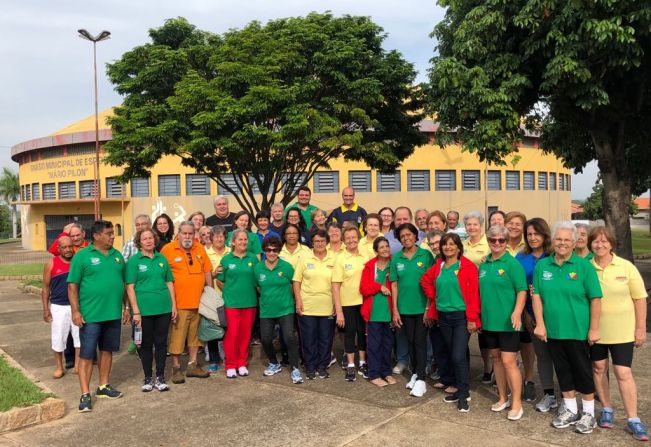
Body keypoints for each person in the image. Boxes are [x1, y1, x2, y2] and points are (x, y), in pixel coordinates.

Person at [532, 221, 602, 434]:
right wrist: (540, 324)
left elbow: (596, 299)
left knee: (582, 372)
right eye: (558, 239)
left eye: (566, 240)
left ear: (574, 242)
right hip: (553, 331)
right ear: (553, 241)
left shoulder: (584, 267)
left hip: (578, 330)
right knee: (562, 371)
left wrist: (594, 329)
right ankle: (570, 409)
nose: (562, 243)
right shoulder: (543, 266)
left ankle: (589, 413)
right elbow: (537, 297)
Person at [589, 226, 648, 441]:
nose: (600, 245)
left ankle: (633, 419)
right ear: (590, 245)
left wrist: (640, 328)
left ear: (612, 244)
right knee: (598, 368)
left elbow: (640, 299)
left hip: (623, 331)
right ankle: (606, 408)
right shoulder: (586, 268)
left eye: (604, 241)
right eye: (596, 241)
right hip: (595, 331)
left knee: (623, 373)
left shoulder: (626, 267)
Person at [68, 220, 128, 412]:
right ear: (96, 235)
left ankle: (103, 386)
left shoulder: (117, 256)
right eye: (109, 233)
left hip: (112, 313)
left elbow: (124, 284)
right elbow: (72, 286)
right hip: (90, 315)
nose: (113, 236)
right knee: (86, 354)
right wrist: (76, 311)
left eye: (112, 233)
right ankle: (85, 394)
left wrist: (126, 308)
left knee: (107, 350)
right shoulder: (82, 256)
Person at [421, 233, 480, 412]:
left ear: (458, 247)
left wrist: (472, 318)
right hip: (443, 317)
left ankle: (463, 395)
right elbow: (425, 280)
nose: (448, 247)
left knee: (458, 356)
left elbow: (473, 296)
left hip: (461, 317)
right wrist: (435, 297)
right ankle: (458, 387)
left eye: (452, 244)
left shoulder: (467, 266)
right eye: (445, 244)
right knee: (451, 352)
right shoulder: (439, 266)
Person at [479, 225, 528, 421]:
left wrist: (517, 312)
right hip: (490, 321)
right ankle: (502, 397)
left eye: (501, 240)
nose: (497, 243)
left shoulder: (512, 264)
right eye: (493, 240)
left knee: (509, 362)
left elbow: (522, 290)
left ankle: (517, 403)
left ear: (507, 242)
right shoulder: (484, 264)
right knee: (496, 360)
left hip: (508, 322)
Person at [161, 221, 212, 384]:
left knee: (195, 337)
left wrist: (210, 293)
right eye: (185, 233)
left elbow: (207, 271)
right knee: (177, 337)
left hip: (199, 303)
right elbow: (161, 275)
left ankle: (192, 364)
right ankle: (175, 367)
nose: (188, 236)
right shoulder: (168, 250)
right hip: (179, 304)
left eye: (191, 233)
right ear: (179, 234)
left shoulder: (200, 248)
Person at [126, 229, 176, 392]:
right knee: (145, 344)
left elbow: (169, 282)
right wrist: (136, 311)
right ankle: (148, 377)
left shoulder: (162, 258)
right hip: (143, 310)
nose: (148, 241)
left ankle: (160, 377)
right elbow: (130, 287)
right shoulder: (134, 261)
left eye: (150, 238)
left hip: (163, 308)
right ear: (139, 242)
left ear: (155, 240)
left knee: (161, 343)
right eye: (144, 238)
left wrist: (173, 305)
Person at [516, 218, 558, 413]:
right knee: (542, 356)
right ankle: (549, 394)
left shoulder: (555, 256)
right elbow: (517, 288)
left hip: (556, 315)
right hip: (532, 316)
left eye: (536, 234)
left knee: (562, 357)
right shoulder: (521, 258)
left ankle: (568, 395)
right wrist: (524, 313)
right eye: (529, 234)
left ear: (545, 234)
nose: (532, 238)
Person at [390, 223, 434, 398]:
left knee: (420, 341)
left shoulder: (426, 255)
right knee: (410, 341)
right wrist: (395, 309)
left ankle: (422, 379)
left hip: (422, 307)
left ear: (416, 236)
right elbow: (394, 284)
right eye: (402, 236)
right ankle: (415, 372)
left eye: (409, 235)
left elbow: (432, 283)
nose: (406, 238)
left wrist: (428, 307)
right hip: (404, 308)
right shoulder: (397, 258)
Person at [254, 236, 303, 384]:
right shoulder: (258, 268)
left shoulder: (286, 267)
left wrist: (296, 301)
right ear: (264, 250)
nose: (271, 253)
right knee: (266, 339)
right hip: (267, 309)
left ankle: (295, 368)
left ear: (279, 251)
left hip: (285, 308)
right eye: (268, 250)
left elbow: (294, 284)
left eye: (275, 250)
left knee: (289, 337)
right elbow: (257, 287)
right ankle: (274, 363)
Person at [292, 229, 336, 380]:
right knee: (308, 338)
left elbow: (337, 284)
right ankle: (310, 366)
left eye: (322, 241)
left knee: (325, 338)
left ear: (327, 242)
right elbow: (296, 281)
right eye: (316, 241)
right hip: (307, 306)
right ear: (312, 242)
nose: (319, 244)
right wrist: (298, 301)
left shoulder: (334, 258)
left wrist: (337, 304)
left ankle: (322, 366)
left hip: (328, 306)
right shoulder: (304, 257)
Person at [217, 229, 260, 378]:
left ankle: (242, 363)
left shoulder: (253, 259)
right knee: (232, 333)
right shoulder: (226, 260)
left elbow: (257, 280)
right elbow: (220, 280)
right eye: (240, 239)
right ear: (233, 242)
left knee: (245, 334)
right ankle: (230, 364)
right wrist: (230, 291)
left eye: (245, 239)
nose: (243, 242)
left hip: (249, 302)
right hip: (231, 303)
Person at [504, 211, 536, 400]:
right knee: (507, 348)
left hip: (528, 305)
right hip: (505, 305)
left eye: (518, 224)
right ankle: (509, 380)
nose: (514, 227)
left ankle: (529, 379)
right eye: (511, 223)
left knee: (526, 344)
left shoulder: (529, 247)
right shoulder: (499, 243)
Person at [332, 226, 370, 381]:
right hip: (347, 303)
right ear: (344, 240)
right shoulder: (341, 258)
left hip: (364, 302)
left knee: (362, 333)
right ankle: (350, 365)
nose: (351, 240)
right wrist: (339, 310)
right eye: (347, 238)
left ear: (358, 237)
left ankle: (362, 362)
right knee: (349, 333)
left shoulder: (365, 256)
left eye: (354, 237)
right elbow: (335, 285)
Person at [360, 237, 396, 387]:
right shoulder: (370, 267)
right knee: (374, 345)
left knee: (388, 345)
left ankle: (386, 372)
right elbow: (364, 288)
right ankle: (374, 374)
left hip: (389, 312)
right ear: (376, 250)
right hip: (374, 312)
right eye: (381, 247)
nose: (385, 249)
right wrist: (379, 287)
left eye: (386, 246)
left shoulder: (394, 264)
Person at [42, 235, 79, 378]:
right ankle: (59, 367)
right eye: (64, 247)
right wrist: (46, 309)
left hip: (77, 306)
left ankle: (78, 364)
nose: (68, 250)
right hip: (59, 307)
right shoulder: (51, 264)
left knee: (79, 336)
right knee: (58, 337)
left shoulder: (78, 262)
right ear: (59, 249)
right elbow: (45, 288)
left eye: (70, 246)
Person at [462, 210, 492, 382]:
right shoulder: (463, 244)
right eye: (468, 224)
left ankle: (489, 369)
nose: (471, 227)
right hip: (466, 295)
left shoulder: (489, 244)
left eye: (475, 224)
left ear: (481, 226)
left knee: (485, 334)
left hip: (485, 294)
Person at [204, 225, 230, 373]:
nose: (219, 239)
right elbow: (201, 276)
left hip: (230, 297)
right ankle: (214, 359)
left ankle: (228, 356)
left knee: (229, 329)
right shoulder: (205, 254)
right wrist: (212, 275)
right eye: (216, 236)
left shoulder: (232, 253)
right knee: (212, 330)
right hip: (212, 298)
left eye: (222, 236)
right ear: (211, 238)